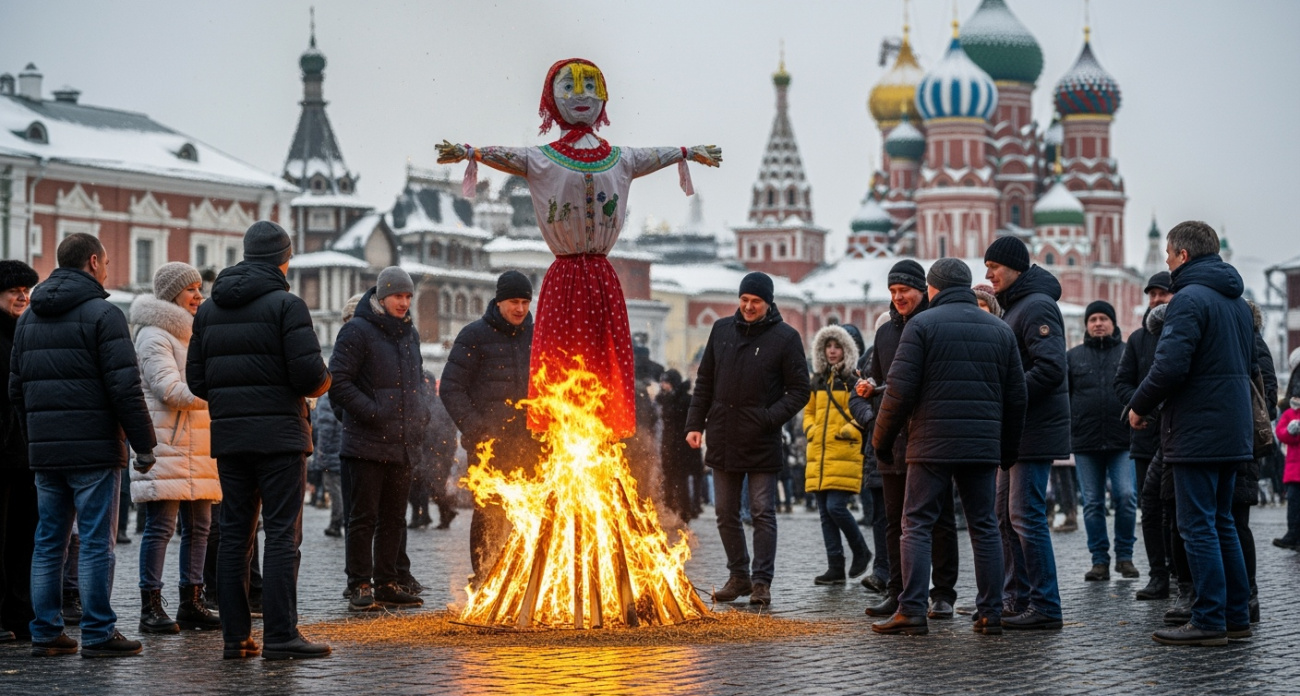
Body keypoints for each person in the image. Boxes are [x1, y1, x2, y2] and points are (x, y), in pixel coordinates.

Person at [438, 58, 721, 440]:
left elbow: (657, 154)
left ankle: (598, 428)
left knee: (602, 362)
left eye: (591, 87)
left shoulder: (620, 158)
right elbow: (506, 155)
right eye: (569, 88)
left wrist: (686, 152)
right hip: (566, 276)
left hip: (602, 277)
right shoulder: (541, 158)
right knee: (562, 362)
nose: (582, 96)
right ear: (553, 99)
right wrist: (470, 152)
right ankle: (564, 423)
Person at [187, 220, 332, 660]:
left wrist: (234, 400)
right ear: (284, 259)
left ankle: (236, 637)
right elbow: (309, 376)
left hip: (231, 438)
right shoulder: (287, 306)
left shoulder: (210, 310)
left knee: (234, 535)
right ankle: (282, 636)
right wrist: (324, 383)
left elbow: (196, 380)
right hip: (281, 439)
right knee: (282, 534)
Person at [9, 233, 157, 657]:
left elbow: (16, 389)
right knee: (94, 543)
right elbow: (125, 388)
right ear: (93, 262)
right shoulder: (104, 314)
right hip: (94, 450)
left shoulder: (29, 318)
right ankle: (97, 632)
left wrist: (34, 435)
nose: (108, 269)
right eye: (107, 261)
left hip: (45, 452)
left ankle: (45, 631)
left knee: (48, 542)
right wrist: (144, 445)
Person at [870, 258, 1026, 636]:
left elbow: (898, 392)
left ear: (933, 289)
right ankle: (990, 612)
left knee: (917, 525)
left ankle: (911, 609)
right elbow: (1017, 396)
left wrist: (882, 442)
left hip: (930, 444)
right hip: (982, 446)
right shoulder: (999, 329)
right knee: (984, 527)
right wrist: (1007, 450)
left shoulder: (921, 326)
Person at [1128, 220, 1253, 646]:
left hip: (1197, 427)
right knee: (1222, 524)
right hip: (1231, 428)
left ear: (1182, 255)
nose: (1165, 260)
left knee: (1197, 525)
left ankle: (1209, 618)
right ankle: (1235, 615)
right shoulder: (1235, 301)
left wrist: (1138, 405)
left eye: (1168, 254)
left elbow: (1169, 366)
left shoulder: (1189, 300)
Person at [686, 272, 810, 607]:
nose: (748, 306)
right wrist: (694, 424)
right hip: (723, 434)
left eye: (755, 301)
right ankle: (738, 575)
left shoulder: (785, 337)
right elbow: (705, 381)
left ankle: (761, 582)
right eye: (744, 300)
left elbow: (800, 391)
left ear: (768, 303)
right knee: (725, 512)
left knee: (761, 512)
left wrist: (768, 418)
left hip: (761, 437)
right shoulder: (722, 329)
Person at [858, 260, 959, 621]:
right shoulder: (884, 334)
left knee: (940, 517)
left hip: (929, 436)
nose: (898, 297)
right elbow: (881, 379)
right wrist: (869, 390)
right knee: (892, 518)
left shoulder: (935, 325)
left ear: (923, 291)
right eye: (893, 291)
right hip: (891, 438)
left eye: (905, 290)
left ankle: (943, 592)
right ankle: (898, 591)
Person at [128, 262, 222, 634]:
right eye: (191, 289)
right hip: (168, 444)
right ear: (171, 294)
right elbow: (169, 389)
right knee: (161, 527)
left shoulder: (194, 333)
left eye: (200, 288)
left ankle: (192, 601)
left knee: (200, 526)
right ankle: (150, 605)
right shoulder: (154, 335)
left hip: (198, 444)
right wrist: (218, 393)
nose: (199, 295)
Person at [328, 267, 427, 611]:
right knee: (363, 517)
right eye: (398, 296)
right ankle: (359, 584)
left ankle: (387, 581)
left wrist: (420, 414)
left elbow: (416, 382)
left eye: (408, 296)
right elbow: (337, 381)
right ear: (382, 296)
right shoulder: (357, 330)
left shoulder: (409, 334)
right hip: (365, 443)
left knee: (394, 518)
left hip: (401, 442)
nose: (404, 302)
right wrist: (370, 412)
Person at [984, 235, 1067, 630]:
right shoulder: (1016, 306)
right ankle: (1015, 598)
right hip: (1014, 432)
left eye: (994, 267)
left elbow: (1050, 368)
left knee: (1025, 517)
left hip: (1033, 430)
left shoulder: (1036, 306)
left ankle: (1046, 605)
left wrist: (1009, 397)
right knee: (1004, 516)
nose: (988, 274)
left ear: (1014, 266)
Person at [441, 271, 539, 579]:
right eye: (514, 301)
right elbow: (451, 388)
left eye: (525, 302)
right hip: (488, 447)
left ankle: (521, 579)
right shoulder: (473, 335)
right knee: (489, 513)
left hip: (531, 446)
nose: (520, 309)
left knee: (529, 514)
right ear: (499, 301)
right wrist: (477, 429)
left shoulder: (538, 336)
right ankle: (485, 576)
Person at [1067, 300, 1138, 582]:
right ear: (1086, 325)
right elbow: (1065, 397)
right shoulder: (1073, 357)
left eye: (1103, 319)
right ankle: (1099, 560)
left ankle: (1125, 556)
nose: (1098, 323)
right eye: (1093, 319)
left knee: (1126, 496)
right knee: (1093, 503)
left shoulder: (1126, 353)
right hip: (1085, 441)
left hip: (1123, 440)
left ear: (1113, 323)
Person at [1115, 271, 1175, 600]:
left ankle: (1181, 571)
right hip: (1144, 437)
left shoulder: (1184, 331)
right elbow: (1121, 382)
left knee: (1176, 507)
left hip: (1178, 435)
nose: (1155, 300)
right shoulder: (1138, 339)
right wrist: (1143, 404)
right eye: (1151, 294)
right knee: (1149, 509)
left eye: (1161, 294)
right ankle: (1158, 575)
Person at [804, 325, 871, 585]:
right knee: (824, 512)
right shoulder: (817, 380)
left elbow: (863, 411)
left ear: (847, 349)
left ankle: (862, 550)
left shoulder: (853, 379)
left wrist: (848, 430)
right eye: (828, 347)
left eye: (837, 346)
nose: (832, 351)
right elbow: (808, 412)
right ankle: (835, 567)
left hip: (844, 451)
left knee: (835, 506)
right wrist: (810, 429)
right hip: (819, 454)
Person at [0, 260, 39, 642]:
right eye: (14, 291)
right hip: (4, 451)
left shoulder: (27, 332)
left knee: (23, 538)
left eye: (26, 290)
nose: (22, 296)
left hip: (26, 454)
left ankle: (19, 614)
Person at [657, 369, 701, 523]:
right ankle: (670, 509)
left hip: (683, 448)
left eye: (666, 382)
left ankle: (685, 511)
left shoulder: (685, 400)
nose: (663, 385)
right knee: (668, 481)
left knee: (681, 482)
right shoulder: (663, 400)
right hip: (668, 446)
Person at [422, 373, 460, 530]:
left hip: (440, 453)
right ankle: (446, 512)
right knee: (431, 485)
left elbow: (446, 429)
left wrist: (443, 451)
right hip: (429, 452)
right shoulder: (425, 402)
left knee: (436, 485)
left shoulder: (439, 404)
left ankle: (447, 513)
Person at [311, 392, 345, 537]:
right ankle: (342, 521)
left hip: (331, 453)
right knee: (342, 490)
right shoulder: (341, 394)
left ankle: (336, 523)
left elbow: (325, 429)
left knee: (335, 490)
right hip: (342, 450)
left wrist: (321, 453)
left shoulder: (326, 398)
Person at [1275, 395, 1300, 550]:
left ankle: (1293, 538)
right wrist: (1291, 432)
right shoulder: (1289, 413)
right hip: (1294, 469)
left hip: (1294, 468)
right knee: (1293, 506)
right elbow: (1280, 433)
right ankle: (1293, 537)